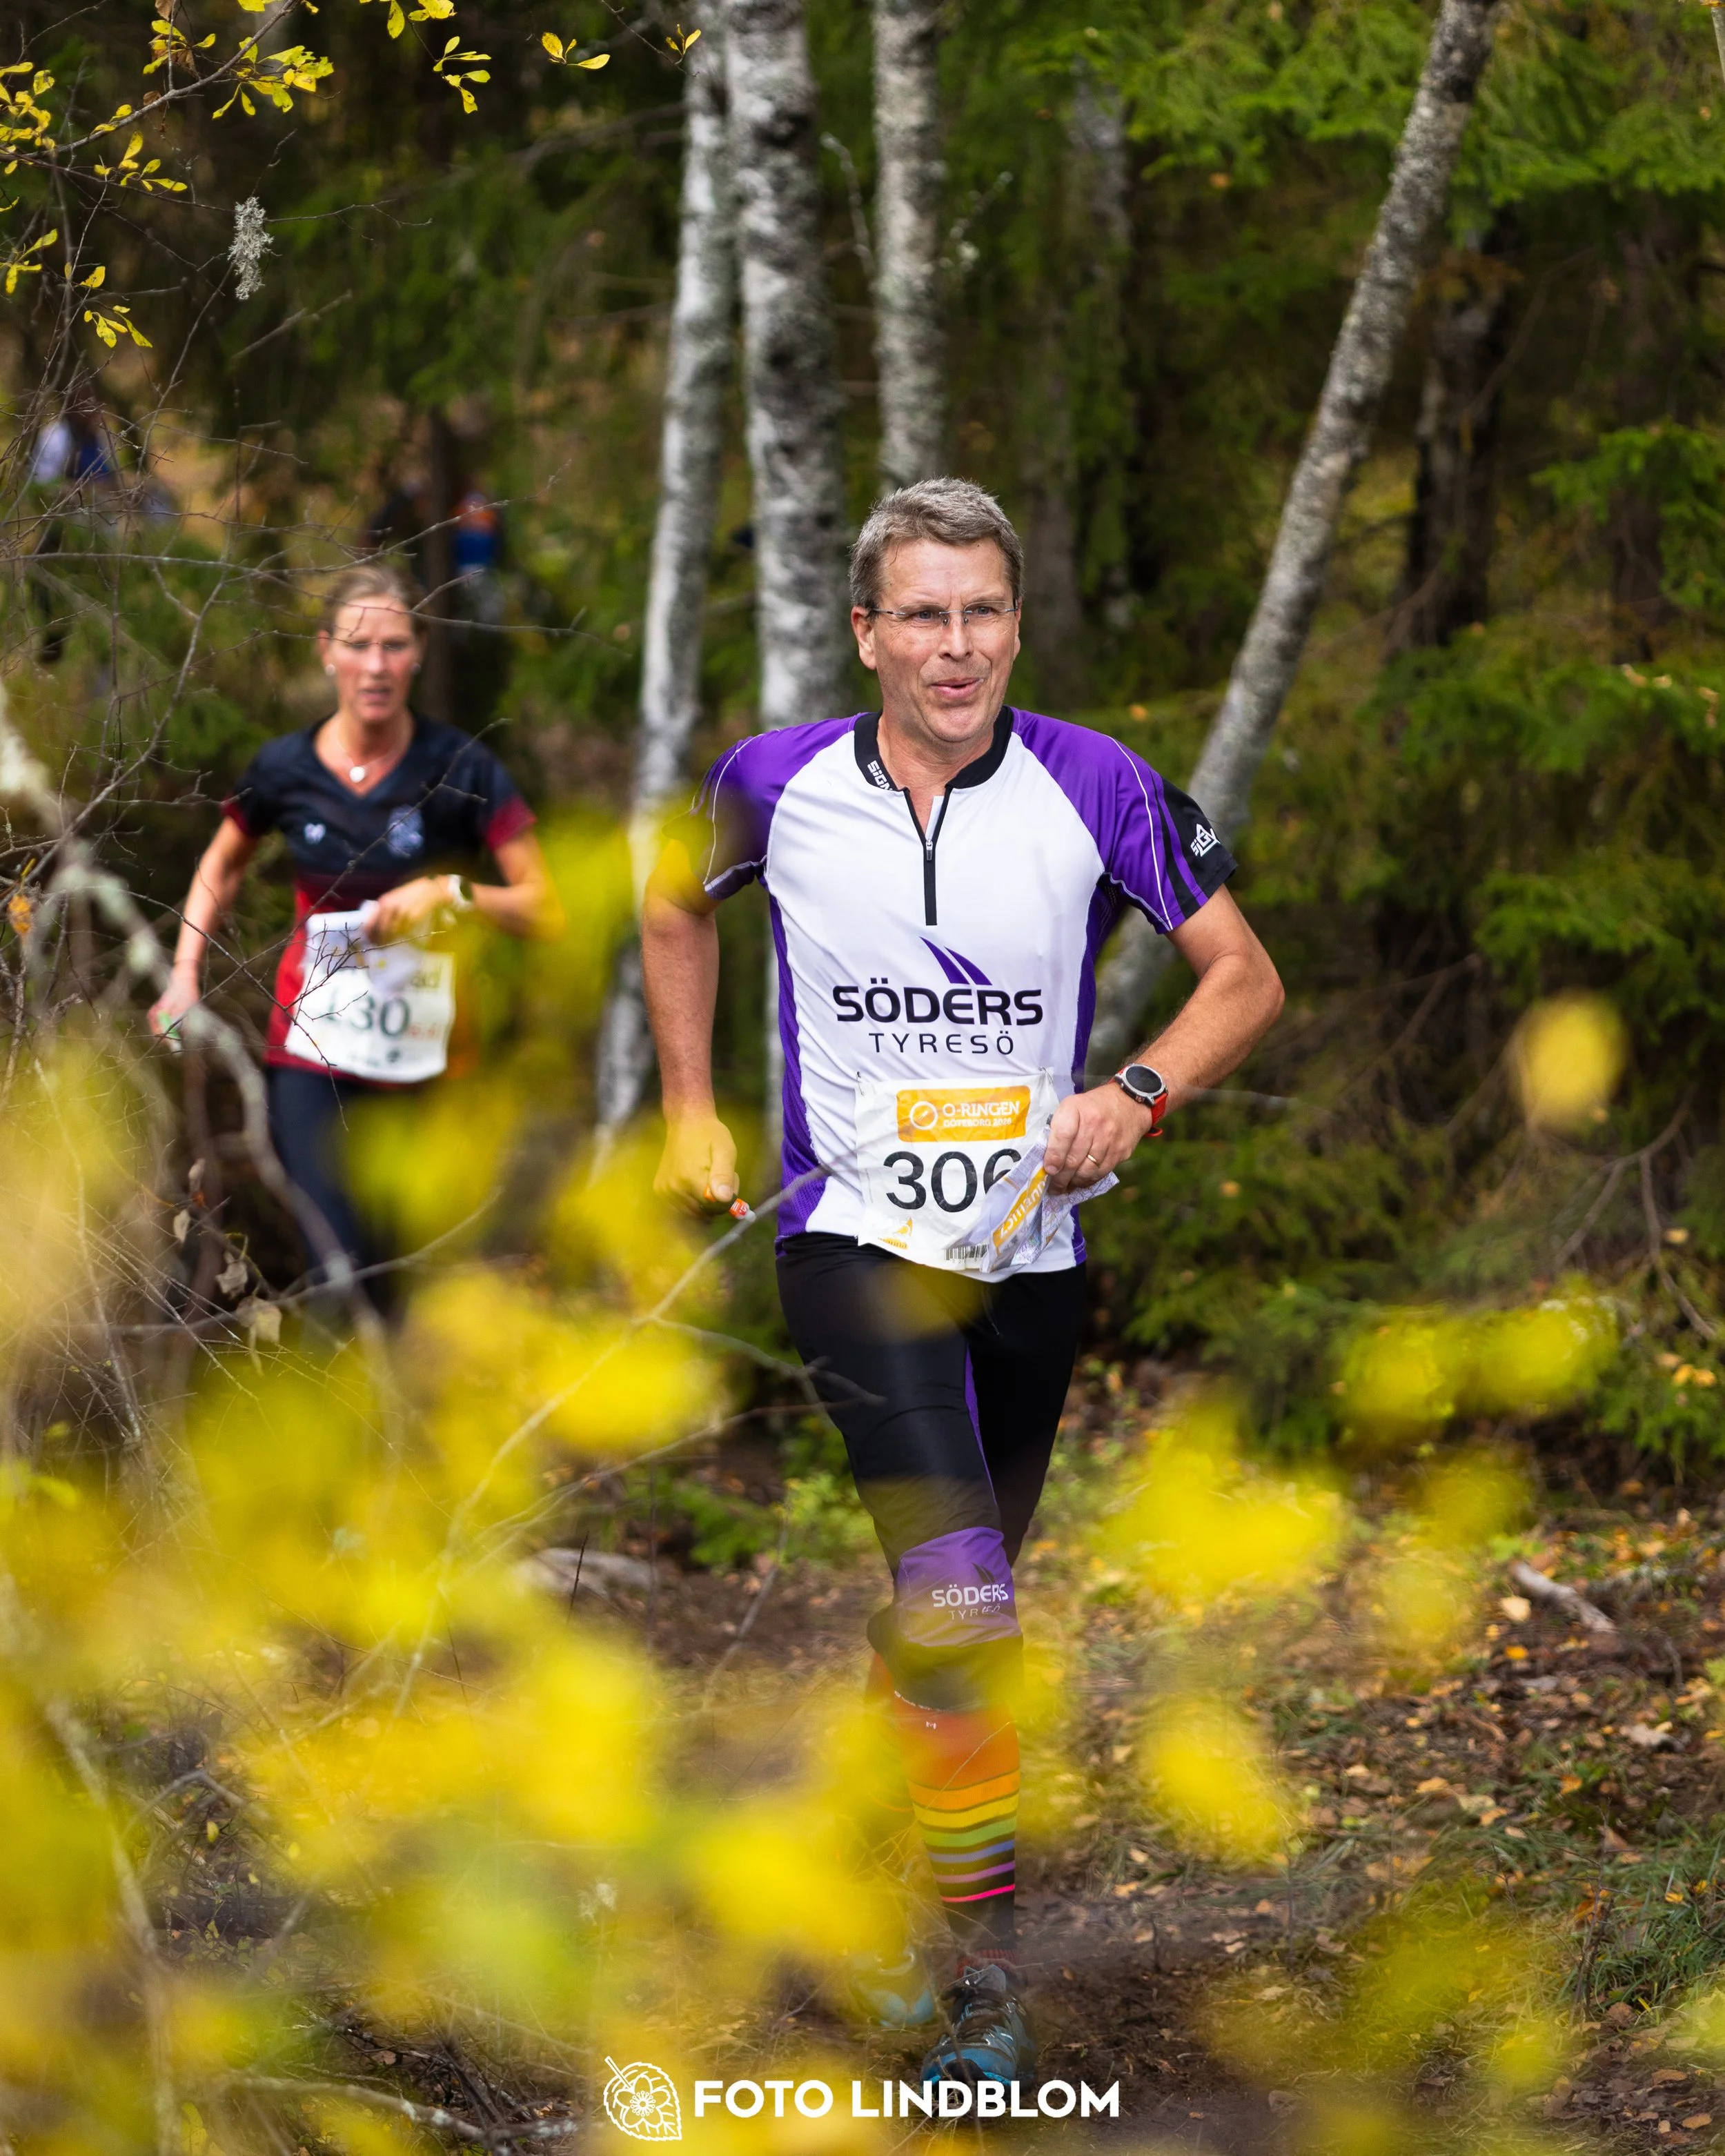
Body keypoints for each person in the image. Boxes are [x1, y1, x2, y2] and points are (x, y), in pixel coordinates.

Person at [642, 479, 1283, 2092]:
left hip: (1028, 1263)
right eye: (921, 614)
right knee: (966, 1600)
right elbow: (666, 907)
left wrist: (1132, 1094)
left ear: (1016, 622)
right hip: (850, 1238)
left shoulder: (1098, 783)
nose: (955, 645)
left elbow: (1245, 977)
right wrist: (689, 1104)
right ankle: (980, 1986)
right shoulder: (769, 785)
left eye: (982, 611)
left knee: (959, 1597)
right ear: (866, 633)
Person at [149, 560, 558, 1312]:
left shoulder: (459, 768)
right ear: (326, 650)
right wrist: (184, 973)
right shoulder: (284, 768)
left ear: (420, 651)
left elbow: (545, 906)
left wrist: (455, 891)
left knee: (402, 1288)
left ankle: (402, 1426)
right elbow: (221, 864)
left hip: (427, 1064)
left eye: (395, 645)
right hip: (313, 1055)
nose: (377, 665)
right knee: (337, 1279)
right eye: (359, 645)